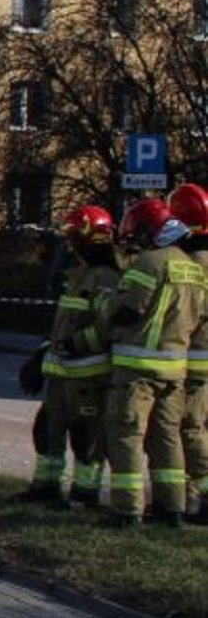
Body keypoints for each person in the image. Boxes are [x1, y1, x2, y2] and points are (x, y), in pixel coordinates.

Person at [104, 198, 205, 527]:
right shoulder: (192, 267)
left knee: (127, 435)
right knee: (167, 437)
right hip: (175, 370)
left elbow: (126, 311)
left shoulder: (149, 263)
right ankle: (172, 508)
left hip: (138, 370)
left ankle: (127, 511)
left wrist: (108, 305)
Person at [15, 205, 120, 505]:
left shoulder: (106, 279)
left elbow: (106, 328)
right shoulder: (78, 275)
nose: (69, 246)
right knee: (47, 429)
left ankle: (85, 493)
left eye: (72, 239)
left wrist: (76, 344)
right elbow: (62, 327)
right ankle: (46, 487)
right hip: (62, 374)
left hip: (89, 376)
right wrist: (42, 356)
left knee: (87, 438)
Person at [166, 184, 208, 524]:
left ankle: (199, 496)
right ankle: (189, 497)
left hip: (196, 359)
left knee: (189, 427)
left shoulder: (193, 264)